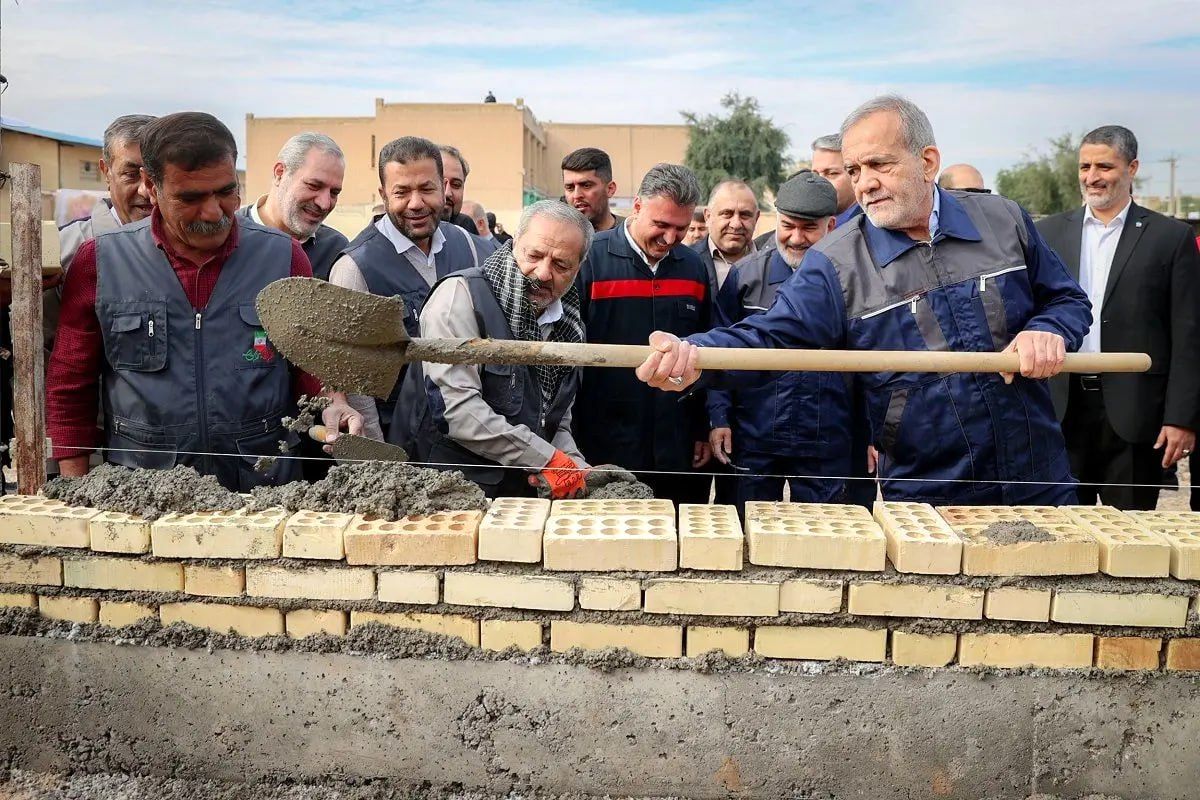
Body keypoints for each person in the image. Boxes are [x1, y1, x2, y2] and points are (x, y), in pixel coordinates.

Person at [634, 95, 1092, 507]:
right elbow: (770, 336)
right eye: (854, 171)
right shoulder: (835, 263)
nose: (865, 183)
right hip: (926, 486)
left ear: (928, 161)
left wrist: (1047, 329)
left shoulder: (1003, 218)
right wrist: (694, 357)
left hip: (1035, 472)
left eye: (879, 165)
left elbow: (1068, 299)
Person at [46, 112, 361, 490]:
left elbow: (312, 362)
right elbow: (69, 385)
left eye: (226, 192)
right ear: (151, 185)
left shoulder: (285, 259)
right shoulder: (100, 263)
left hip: (262, 489)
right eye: (191, 197)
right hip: (143, 493)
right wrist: (76, 488)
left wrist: (334, 402)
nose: (213, 213)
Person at [1037, 125, 1200, 510]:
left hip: (1135, 416)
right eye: (1085, 166)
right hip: (1061, 409)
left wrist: (1181, 418)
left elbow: (1189, 335)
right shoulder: (1047, 233)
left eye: (1104, 166)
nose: (1092, 177)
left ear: (1132, 167)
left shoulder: (1170, 238)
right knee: (1061, 533)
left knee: (1130, 540)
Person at [394, 201, 592, 498]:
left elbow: (555, 419)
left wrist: (575, 467)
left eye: (561, 265)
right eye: (534, 255)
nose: (543, 272)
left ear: (578, 269)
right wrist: (547, 459)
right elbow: (457, 412)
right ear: (514, 245)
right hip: (443, 494)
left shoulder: (568, 323)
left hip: (514, 500)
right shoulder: (461, 297)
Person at [708, 172, 850, 511]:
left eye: (809, 228)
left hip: (826, 439)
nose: (796, 238)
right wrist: (719, 417)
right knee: (745, 533)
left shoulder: (852, 281)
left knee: (824, 539)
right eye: (788, 225)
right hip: (753, 434)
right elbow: (720, 349)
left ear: (831, 226)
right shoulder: (745, 276)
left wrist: (873, 436)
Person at [573, 163, 713, 505]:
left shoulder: (694, 267)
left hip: (676, 443)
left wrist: (700, 430)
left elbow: (707, 347)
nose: (669, 239)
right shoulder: (590, 259)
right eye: (661, 225)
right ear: (636, 206)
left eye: (680, 229)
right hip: (602, 440)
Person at [330, 136, 484, 440]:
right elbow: (356, 382)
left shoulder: (467, 245)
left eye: (427, 189)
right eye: (402, 192)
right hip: (402, 441)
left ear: (443, 187)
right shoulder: (354, 269)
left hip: (471, 438)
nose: (416, 203)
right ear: (384, 194)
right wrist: (382, 463)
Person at [238, 132, 349, 280]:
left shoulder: (336, 251)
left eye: (334, 193)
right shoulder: (228, 237)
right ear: (280, 174)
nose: (324, 204)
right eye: (314, 185)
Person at [59, 114, 156, 270]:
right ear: (106, 172)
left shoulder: (194, 246)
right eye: (131, 175)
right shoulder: (64, 249)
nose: (145, 191)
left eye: (155, 175)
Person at [692, 180, 759, 299]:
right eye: (727, 213)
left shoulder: (772, 265)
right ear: (708, 216)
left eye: (745, 215)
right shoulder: (685, 263)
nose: (736, 224)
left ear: (756, 218)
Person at [562, 147, 623, 233]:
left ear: (610, 189)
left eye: (586, 186)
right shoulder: (556, 237)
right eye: (570, 188)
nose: (576, 195)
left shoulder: (632, 235)